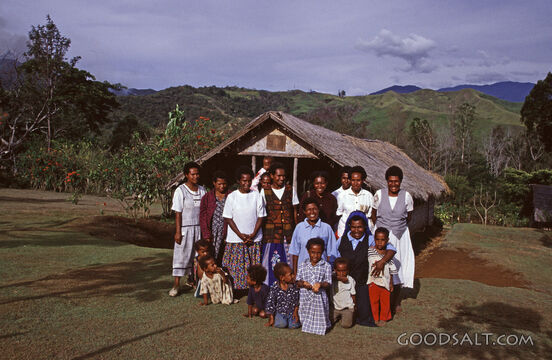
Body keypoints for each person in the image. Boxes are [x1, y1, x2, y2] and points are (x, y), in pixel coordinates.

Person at [332, 211, 396, 326]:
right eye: (354, 227)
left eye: (360, 227)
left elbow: (391, 249)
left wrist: (382, 261)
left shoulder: (371, 239)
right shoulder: (342, 240)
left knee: (365, 313)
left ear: (365, 226)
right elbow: (333, 257)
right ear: (349, 227)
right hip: (345, 280)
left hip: (362, 281)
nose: (357, 230)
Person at [370, 165, 415, 312]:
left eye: (396, 181)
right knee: (378, 264)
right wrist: (382, 230)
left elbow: (408, 216)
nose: (393, 184)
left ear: (401, 181)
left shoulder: (407, 196)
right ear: (386, 181)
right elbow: (374, 214)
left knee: (398, 267)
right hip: (381, 236)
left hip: (400, 236)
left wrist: (396, 228)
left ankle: (396, 302)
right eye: (390, 181)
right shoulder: (379, 194)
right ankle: (378, 299)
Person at [222, 166, 266, 292]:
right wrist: (241, 236)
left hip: (254, 238)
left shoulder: (257, 195)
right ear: (238, 181)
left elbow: (260, 217)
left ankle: (252, 290)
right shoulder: (232, 196)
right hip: (236, 238)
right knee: (236, 267)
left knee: (253, 267)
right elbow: (229, 218)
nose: (246, 183)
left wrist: (252, 235)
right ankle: (235, 290)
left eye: (249, 181)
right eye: (244, 181)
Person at [169, 161, 207, 297]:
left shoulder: (202, 190)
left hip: (199, 229)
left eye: (197, 174)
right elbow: (178, 212)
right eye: (193, 174)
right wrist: (178, 232)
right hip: (185, 228)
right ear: (186, 175)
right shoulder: (181, 190)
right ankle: (176, 285)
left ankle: (199, 284)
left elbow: (205, 211)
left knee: (199, 257)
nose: (196, 176)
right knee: (181, 255)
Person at [261, 162, 299, 284]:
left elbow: (294, 211)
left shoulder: (290, 190)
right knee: (272, 259)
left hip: (288, 233)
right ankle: (270, 284)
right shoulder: (264, 191)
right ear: (272, 176)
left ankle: (289, 284)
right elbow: (262, 213)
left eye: (283, 176)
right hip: (271, 233)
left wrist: (296, 229)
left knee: (288, 259)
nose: (281, 178)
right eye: (278, 176)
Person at [296, 238, 332, 335]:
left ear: (322, 252)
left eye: (318, 253)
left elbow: (328, 283)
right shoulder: (302, 265)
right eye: (313, 252)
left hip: (319, 296)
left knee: (320, 315)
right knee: (305, 312)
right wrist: (303, 283)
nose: (315, 255)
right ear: (308, 251)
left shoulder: (326, 266)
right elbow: (297, 281)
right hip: (305, 296)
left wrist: (320, 284)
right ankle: (306, 325)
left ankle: (320, 326)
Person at [289, 198, 335, 275]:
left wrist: (328, 273)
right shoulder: (299, 227)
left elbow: (331, 253)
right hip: (303, 272)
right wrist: (295, 273)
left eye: (314, 209)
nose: (312, 212)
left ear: (318, 210)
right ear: (304, 211)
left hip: (321, 272)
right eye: (309, 210)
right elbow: (295, 252)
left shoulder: (327, 228)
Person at [368, 227, 397, 326]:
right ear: (374, 239)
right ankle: (375, 318)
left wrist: (391, 283)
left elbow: (392, 270)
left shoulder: (388, 256)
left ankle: (384, 318)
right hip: (373, 281)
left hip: (385, 282)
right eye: (377, 239)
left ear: (387, 240)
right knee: (374, 301)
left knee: (385, 301)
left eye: (383, 240)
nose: (380, 242)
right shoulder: (370, 252)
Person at [200, 170, 229, 264]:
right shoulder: (207, 197)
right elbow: (203, 216)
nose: (222, 186)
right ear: (214, 183)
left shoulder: (231, 195)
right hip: (212, 232)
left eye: (224, 184)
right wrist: (206, 234)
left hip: (227, 231)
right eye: (219, 184)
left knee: (225, 256)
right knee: (211, 256)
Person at [336, 166, 374, 237]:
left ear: (363, 180)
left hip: (363, 233)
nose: (355, 183)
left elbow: (370, 216)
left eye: (358, 180)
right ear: (350, 180)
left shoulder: (368, 196)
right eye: (353, 180)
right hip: (345, 232)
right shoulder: (342, 195)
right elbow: (339, 213)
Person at [264, 262, 300, 329]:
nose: (293, 276)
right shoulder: (275, 287)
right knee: (281, 325)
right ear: (282, 277)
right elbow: (270, 302)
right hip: (280, 312)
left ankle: (290, 321)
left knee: (294, 326)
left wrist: (296, 312)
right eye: (290, 274)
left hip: (292, 312)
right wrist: (271, 318)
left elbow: (297, 300)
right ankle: (278, 318)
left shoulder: (294, 286)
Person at [331, 257, 356, 329]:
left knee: (346, 325)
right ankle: (338, 316)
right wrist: (338, 278)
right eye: (339, 271)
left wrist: (354, 306)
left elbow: (353, 294)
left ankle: (346, 316)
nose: (341, 273)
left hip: (346, 308)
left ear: (348, 270)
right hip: (335, 307)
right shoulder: (332, 278)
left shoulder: (350, 280)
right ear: (335, 270)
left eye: (344, 271)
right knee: (329, 322)